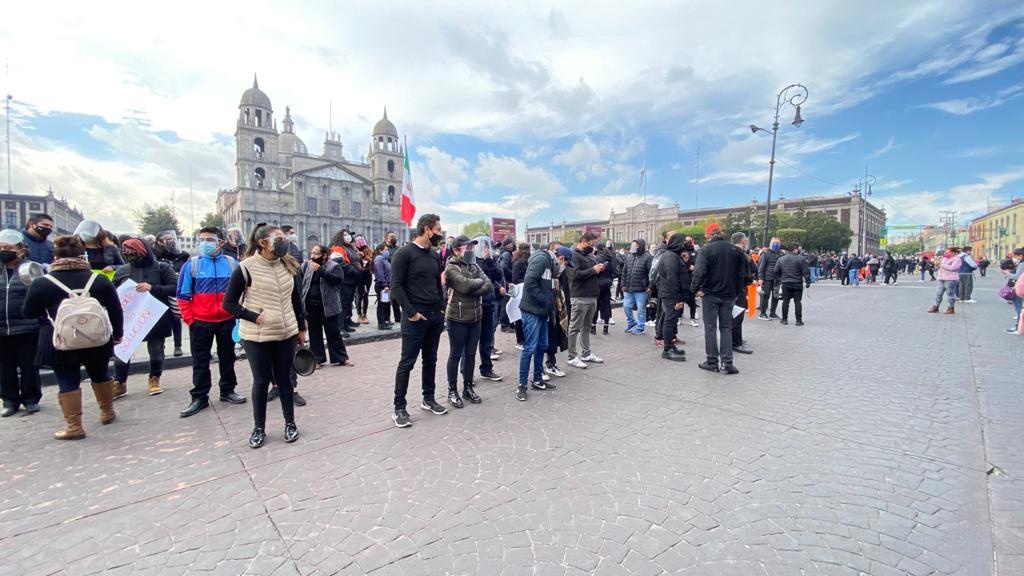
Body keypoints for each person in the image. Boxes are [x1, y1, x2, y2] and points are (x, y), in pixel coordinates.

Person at [22, 236, 124, 439]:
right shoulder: (99, 279)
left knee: (67, 379)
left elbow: (29, 312)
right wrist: (118, 334)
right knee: (100, 374)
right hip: (96, 337)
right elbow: (115, 309)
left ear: (54, 256)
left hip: (59, 339)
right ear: (82, 254)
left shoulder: (43, 282)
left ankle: (74, 426)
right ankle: (107, 412)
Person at [223, 224, 306, 449]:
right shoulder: (246, 268)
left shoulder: (288, 264)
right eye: (278, 238)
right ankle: (259, 428)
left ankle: (290, 423)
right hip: (257, 335)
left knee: (285, 380)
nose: (285, 241)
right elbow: (228, 303)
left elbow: (296, 299)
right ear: (263, 243)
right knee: (261, 381)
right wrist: (251, 316)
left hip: (286, 332)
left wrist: (301, 328)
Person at [176, 227, 246, 417]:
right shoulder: (191, 265)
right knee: (200, 361)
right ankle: (199, 397)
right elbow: (182, 296)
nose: (205, 243)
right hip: (201, 322)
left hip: (227, 320)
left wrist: (238, 314)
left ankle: (228, 390)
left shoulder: (232, 264)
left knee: (228, 357)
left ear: (220, 242)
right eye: (202, 239)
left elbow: (242, 292)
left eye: (210, 239)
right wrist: (190, 320)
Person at [390, 214, 448, 428]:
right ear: (427, 229)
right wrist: (412, 312)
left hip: (434, 316)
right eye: (438, 229)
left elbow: (436, 283)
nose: (440, 233)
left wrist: (441, 308)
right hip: (415, 318)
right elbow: (396, 286)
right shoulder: (403, 254)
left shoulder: (434, 255)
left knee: (430, 360)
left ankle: (428, 398)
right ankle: (399, 407)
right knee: (407, 362)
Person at [111, 238, 178, 398]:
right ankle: (119, 382)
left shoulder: (162, 268)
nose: (129, 255)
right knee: (122, 351)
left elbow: (175, 288)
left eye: (133, 252)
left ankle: (154, 379)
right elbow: (112, 292)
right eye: (126, 253)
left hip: (154, 317)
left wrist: (152, 288)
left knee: (156, 351)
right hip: (128, 319)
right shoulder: (122, 271)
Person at [443, 236, 492, 408]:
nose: (471, 250)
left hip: (476, 317)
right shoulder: (451, 267)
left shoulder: (474, 265)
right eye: (468, 247)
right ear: (457, 249)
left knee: (471, 355)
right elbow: (464, 286)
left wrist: (474, 287)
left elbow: (489, 285)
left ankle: (468, 388)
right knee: (455, 355)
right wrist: (475, 285)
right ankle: (452, 390)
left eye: (472, 247)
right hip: (458, 318)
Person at [691, 223, 745, 375]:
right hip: (729, 295)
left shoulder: (706, 250)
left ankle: (712, 361)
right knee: (726, 328)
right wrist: (737, 291)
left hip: (710, 294)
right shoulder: (735, 250)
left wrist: (694, 289)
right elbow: (742, 274)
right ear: (721, 233)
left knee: (710, 328)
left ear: (709, 235)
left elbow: (699, 272)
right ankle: (727, 362)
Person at [0, 229, 42, 416]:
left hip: (28, 326)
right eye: (1, 247)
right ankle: (9, 401)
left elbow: (40, 295)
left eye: (8, 247)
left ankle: (31, 399)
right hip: (2, 327)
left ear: (21, 249)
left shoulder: (32, 268)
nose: (3, 251)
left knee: (29, 366)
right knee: (4, 367)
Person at [517, 238, 564, 401]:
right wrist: (544, 300)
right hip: (532, 310)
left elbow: (547, 287)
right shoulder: (541, 260)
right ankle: (522, 385)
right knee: (530, 348)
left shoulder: (548, 263)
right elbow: (530, 282)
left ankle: (537, 380)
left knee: (541, 345)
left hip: (541, 311)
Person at [299, 245, 352, 367]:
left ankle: (341, 358)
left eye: (316, 254)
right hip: (311, 306)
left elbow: (338, 280)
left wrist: (321, 271)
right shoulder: (306, 266)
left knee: (333, 332)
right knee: (314, 333)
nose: (313, 256)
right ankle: (317, 359)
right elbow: (301, 282)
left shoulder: (334, 266)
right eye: (312, 253)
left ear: (324, 256)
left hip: (329, 305)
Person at [567, 232, 605, 369]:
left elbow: (589, 273)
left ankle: (586, 353)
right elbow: (575, 275)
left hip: (591, 295)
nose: (593, 247)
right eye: (591, 244)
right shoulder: (573, 256)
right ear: (583, 241)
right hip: (580, 296)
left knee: (587, 327)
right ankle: (572, 356)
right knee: (575, 327)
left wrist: (598, 269)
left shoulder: (587, 256)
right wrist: (593, 270)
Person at [152, 230, 190, 357]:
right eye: (167, 239)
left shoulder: (182, 256)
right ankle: (159, 346)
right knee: (161, 318)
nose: (171, 241)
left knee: (176, 318)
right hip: (162, 290)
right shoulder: (155, 257)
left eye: (172, 238)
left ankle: (177, 345)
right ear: (159, 242)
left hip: (177, 291)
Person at [475, 236, 505, 382]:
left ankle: (486, 368)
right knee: (469, 343)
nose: (486, 248)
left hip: (488, 304)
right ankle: (465, 374)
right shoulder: (472, 261)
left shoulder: (488, 260)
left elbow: (496, 276)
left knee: (486, 340)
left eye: (488, 245)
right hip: (474, 306)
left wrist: (489, 260)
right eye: (483, 245)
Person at [656, 234, 687, 362]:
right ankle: (667, 349)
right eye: (683, 242)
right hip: (670, 294)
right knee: (669, 320)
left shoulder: (672, 256)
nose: (685, 245)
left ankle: (670, 346)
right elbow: (672, 278)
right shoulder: (670, 257)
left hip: (670, 293)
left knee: (671, 320)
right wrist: (678, 298)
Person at [543, 246, 573, 379]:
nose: (566, 265)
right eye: (566, 262)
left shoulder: (562, 273)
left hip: (558, 309)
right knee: (541, 340)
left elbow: (566, 292)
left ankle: (551, 364)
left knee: (553, 338)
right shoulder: (546, 269)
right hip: (545, 309)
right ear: (561, 258)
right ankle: (539, 370)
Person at [329, 229, 362, 334]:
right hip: (345, 280)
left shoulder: (349, 247)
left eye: (348, 234)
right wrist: (354, 270)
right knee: (343, 303)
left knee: (348, 302)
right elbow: (340, 263)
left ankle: (346, 323)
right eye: (345, 235)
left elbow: (354, 260)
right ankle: (340, 327)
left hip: (351, 279)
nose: (348, 236)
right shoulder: (338, 248)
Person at [774, 244, 811, 326]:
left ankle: (784, 319)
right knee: (797, 302)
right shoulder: (801, 259)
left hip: (786, 283)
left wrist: (780, 279)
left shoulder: (781, 259)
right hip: (797, 283)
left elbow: (776, 271)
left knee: (785, 302)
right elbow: (806, 272)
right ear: (795, 249)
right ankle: (798, 321)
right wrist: (808, 282)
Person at [621, 239, 652, 334]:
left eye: (636, 245)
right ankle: (631, 322)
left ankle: (640, 326)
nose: (634, 246)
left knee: (641, 309)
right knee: (626, 307)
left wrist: (649, 286)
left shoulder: (647, 257)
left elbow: (651, 273)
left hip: (641, 289)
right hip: (628, 288)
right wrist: (623, 284)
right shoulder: (629, 257)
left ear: (641, 246)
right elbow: (624, 271)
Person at [731, 233, 755, 355]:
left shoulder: (730, 252)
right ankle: (735, 342)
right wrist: (750, 280)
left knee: (735, 315)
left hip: (732, 288)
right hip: (738, 288)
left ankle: (736, 339)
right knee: (737, 315)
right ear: (743, 241)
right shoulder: (740, 254)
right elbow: (743, 273)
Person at [592, 239, 618, 335]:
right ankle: (605, 329)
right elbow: (615, 272)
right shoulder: (610, 258)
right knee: (606, 306)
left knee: (596, 306)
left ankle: (593, 328)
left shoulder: (595, 259)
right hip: (607, 284)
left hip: (597, 284)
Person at [928, 247, 962, 314]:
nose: (945, 253)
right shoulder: (944, 258)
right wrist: (936, 265)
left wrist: (941, 264)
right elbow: (939, 267)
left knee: (950, 294)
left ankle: (951, 307)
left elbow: (953, 268)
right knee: (938, 293)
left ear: (952, 253)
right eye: (945, 252)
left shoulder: (957, 259)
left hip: (950, 279)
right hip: (941, 278)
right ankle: (936, 306)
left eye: (947, 252)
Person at [510, 242, 531, 347]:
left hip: (524, 291)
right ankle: (520, 341)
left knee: (524, 317)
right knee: (519, 318)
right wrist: (527, 281)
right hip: (520, 292)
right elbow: (514, 279)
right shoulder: (518, 263)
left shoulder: (524, 262)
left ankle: (524, 338)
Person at [756, 238, 783, 320]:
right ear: (771, 244)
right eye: (774, 243)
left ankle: (772, 313)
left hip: (777, 278)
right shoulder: (765, 254)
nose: (776, 244)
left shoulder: (780, 254)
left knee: (776, 296)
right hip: (767, 278)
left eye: (777, 243)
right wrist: (760, 278)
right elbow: (761, 267)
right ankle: (762, 313)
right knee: (765, 296)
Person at [373, 243, 395, 330]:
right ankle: (381, 324)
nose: (387, 251)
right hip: (382, 286)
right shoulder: (379, 259)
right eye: (385, 250)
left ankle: (385, 321)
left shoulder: (384, 259)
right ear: (380, 251)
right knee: (381, 305)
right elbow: (380, 273)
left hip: (386, 285)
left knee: (385, 304)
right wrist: (384, 285)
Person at [354, 235, 373, 325]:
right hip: (358, 274)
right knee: (358, 295)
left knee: (366, 295)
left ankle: (365, 315)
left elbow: (372, 261)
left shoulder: (369, 250)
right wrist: (358, 256)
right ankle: (359, 315)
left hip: (367, 274)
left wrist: (364, 256)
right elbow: (353, 262)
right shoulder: (354, 251)